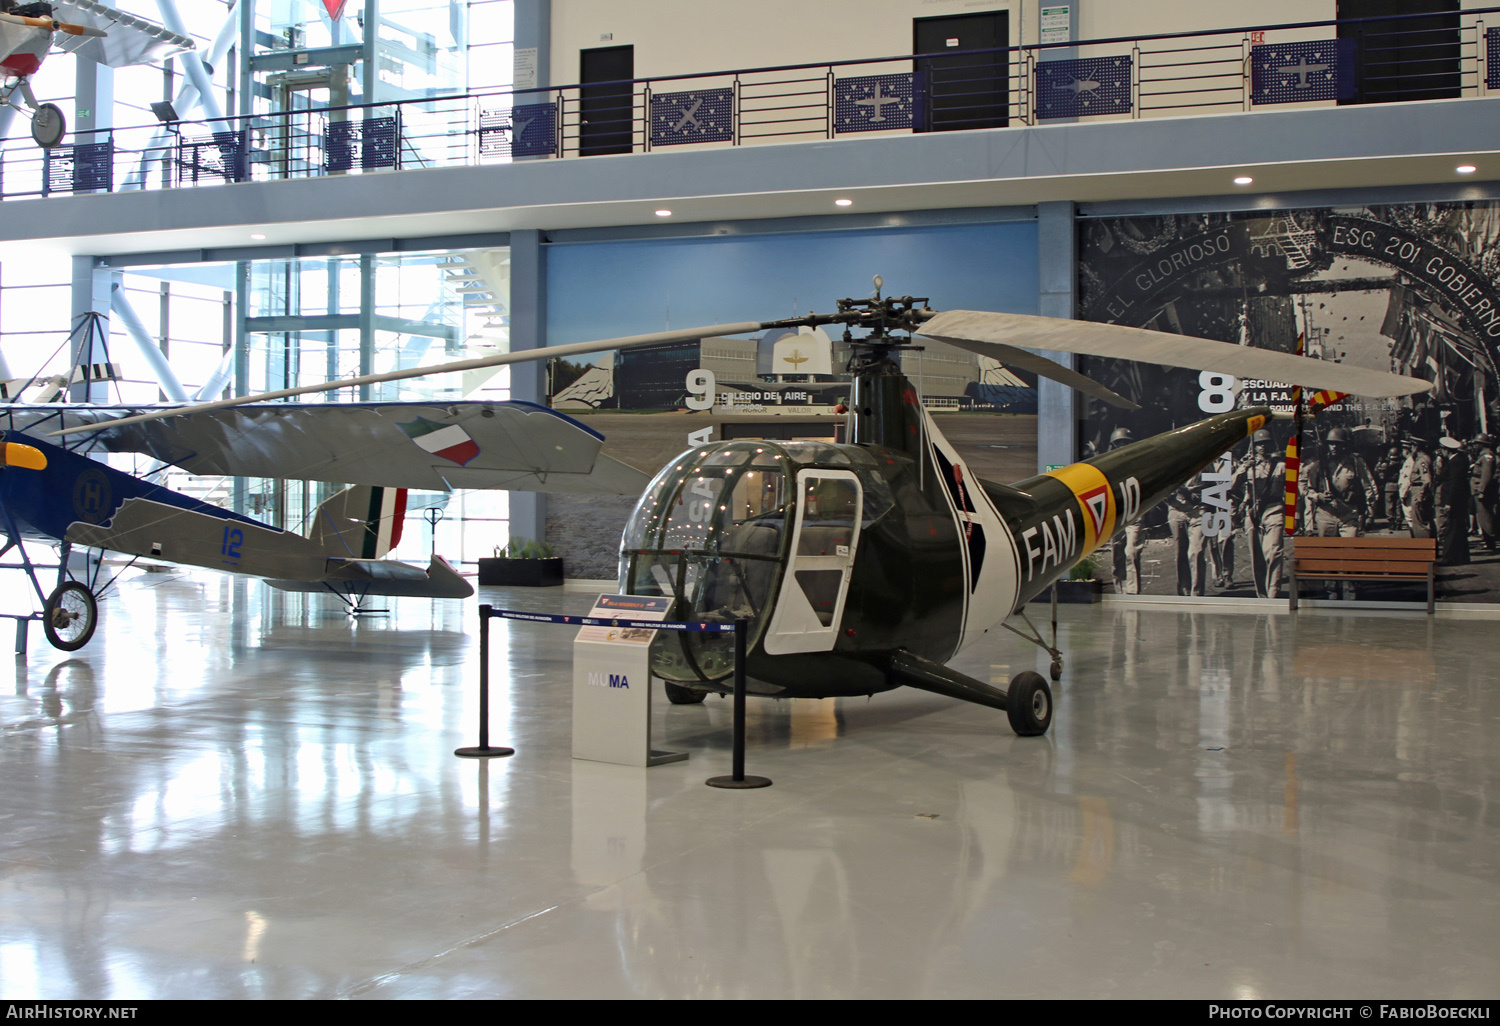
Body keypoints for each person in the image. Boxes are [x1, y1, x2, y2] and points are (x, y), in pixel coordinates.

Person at [1233, 428, 1287, 598]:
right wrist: (1243, 469)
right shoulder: (1248, 466)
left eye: (1266, 443)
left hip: (1274, 509)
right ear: (1254, 446)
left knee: (1274, 552)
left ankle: (1273, 592)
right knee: (1257, 557)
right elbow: (1230, 486)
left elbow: (1294, 490)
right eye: (1259, 444)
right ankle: (1262, 595)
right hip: (1253, 513)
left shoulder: (1281, 465)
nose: (1262, 447)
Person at [1302, 427, 1376, 538]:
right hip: (1326, 514)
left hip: (1349, 513)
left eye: (1338, 443)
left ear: (1345, 445)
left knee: (1350, 550)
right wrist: (1318, 496)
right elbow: (1308, 489)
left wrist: (1370, 514)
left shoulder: (1355, 463)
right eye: (1331, 443)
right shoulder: (1318, 465)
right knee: (1328, 552)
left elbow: (1368, 488)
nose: (1334, 447)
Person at [1107, 427, 1143, 594]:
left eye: (1126, 443)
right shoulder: (1108, 466)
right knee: (1116, 556)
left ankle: (1133, 593)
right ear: (1113, 446)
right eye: (1119, 443)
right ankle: (1119, 591)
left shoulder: (1138, 463)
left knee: (1131, 552)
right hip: (1116, 515)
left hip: (1134, 515)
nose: (1122, 446)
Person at [1165, 475, 1207, 596]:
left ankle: (1197, 594)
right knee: (1180, 552)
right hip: (1176, 511)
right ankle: (1184, 591)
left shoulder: (1206, 465)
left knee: (1196, 551)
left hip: (1198, 510)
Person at [1435, 437, 1471, 565]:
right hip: (1457, 499)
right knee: (1459, 528)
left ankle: (1449, 557)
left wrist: (1449, 503)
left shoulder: (1456, 462)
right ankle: (1463, 557)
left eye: (1442, 449)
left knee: (1452, 528)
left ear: (1447, 450)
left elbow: (1455, 483)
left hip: (1455, 500)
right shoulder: (1456, 460)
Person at [1399, 436, 1435, 539]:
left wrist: (1420, 495)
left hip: (1418, 492)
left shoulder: (1422, 460)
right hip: (1417, 491)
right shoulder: (1420, 459)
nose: (1411, 449)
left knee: (1419, 524)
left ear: (1417, 447)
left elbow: (1427, 480)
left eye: (1412, 446)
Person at [1469, 434, 1497, 552]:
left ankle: (1491, 543)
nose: (1475, 446)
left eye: (1476, 443)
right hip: (1477, 489)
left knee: (1486, 517)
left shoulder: (1487, 456)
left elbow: (1486, 475)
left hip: (1482, 491)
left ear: (1482, 444)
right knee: (1482, 517)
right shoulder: (1482, 456)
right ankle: (1488, 541)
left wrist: (1481, 491)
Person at [1375, 442, 1405, 531]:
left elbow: (1379, 474)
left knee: (1389, 505)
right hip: (1399, 485)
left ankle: (1391, 522)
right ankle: (1398, 522)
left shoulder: (1385, 464)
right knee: (1398, 506)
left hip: (1389, 486)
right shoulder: (1401, 462)